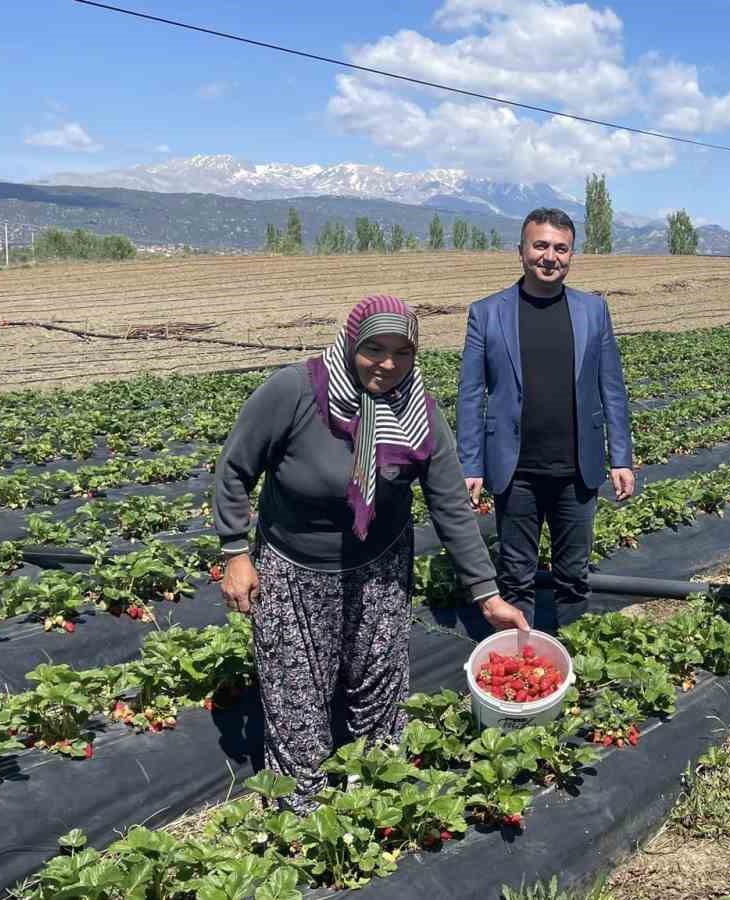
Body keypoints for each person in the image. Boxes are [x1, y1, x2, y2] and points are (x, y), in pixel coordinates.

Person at [215, 294, 528, 813]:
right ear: (351, 343)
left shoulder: (419, 411)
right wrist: (234, 551)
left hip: (378, 566)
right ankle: (303, 818)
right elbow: (233, 471)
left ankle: (376, 802)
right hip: (294, 568)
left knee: (378, 685)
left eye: (402, 352)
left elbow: (450, 504)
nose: (387, 364)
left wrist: (487, 594)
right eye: (374, 349)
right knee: (296, 695)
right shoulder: (295, 392)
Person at [458, 208, 635, 625]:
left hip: (577, 467)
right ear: (521, 250)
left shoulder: (593, 310)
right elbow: (470, 394)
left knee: (573, 575)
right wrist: (471, 463)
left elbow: (612, 387)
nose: (549, 257)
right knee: (516, 577)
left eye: (561, 248)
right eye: (540, 246)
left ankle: (571, 659)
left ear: (571, 255)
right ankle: (521, 666)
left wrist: (621, 457)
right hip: (514, 469)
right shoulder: (487, 312)